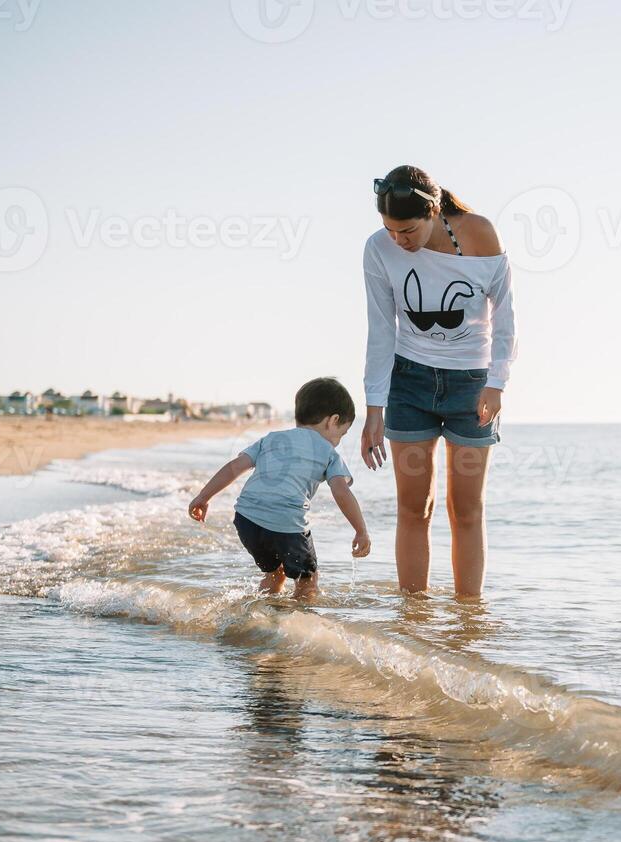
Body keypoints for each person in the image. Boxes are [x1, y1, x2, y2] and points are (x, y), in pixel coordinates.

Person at [360, 164, 518, 599]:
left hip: (472, 385)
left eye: (408, 230)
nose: (399, 241)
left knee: (465, 509)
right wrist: (375, 406)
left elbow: (505, 316)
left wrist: (497, 382)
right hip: (408, 383)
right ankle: (414, 619)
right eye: (390, 231)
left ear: (432, 211)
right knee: (414, 507)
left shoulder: (480, 234)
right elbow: (380, 329)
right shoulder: (378, 250)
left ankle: (469, 618)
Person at [187, 377, 371, 601]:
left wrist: (203, 497)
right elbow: (341, 491)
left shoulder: (271, 439)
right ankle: (295, 629)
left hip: (247, 519)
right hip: (287, 523)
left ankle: (262, 613)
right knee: (307, 581)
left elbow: (235, 467)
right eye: (341, 434)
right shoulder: (328, 452)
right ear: (333, 420)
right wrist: (361, 530)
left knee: (275, 574)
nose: (338, 441)